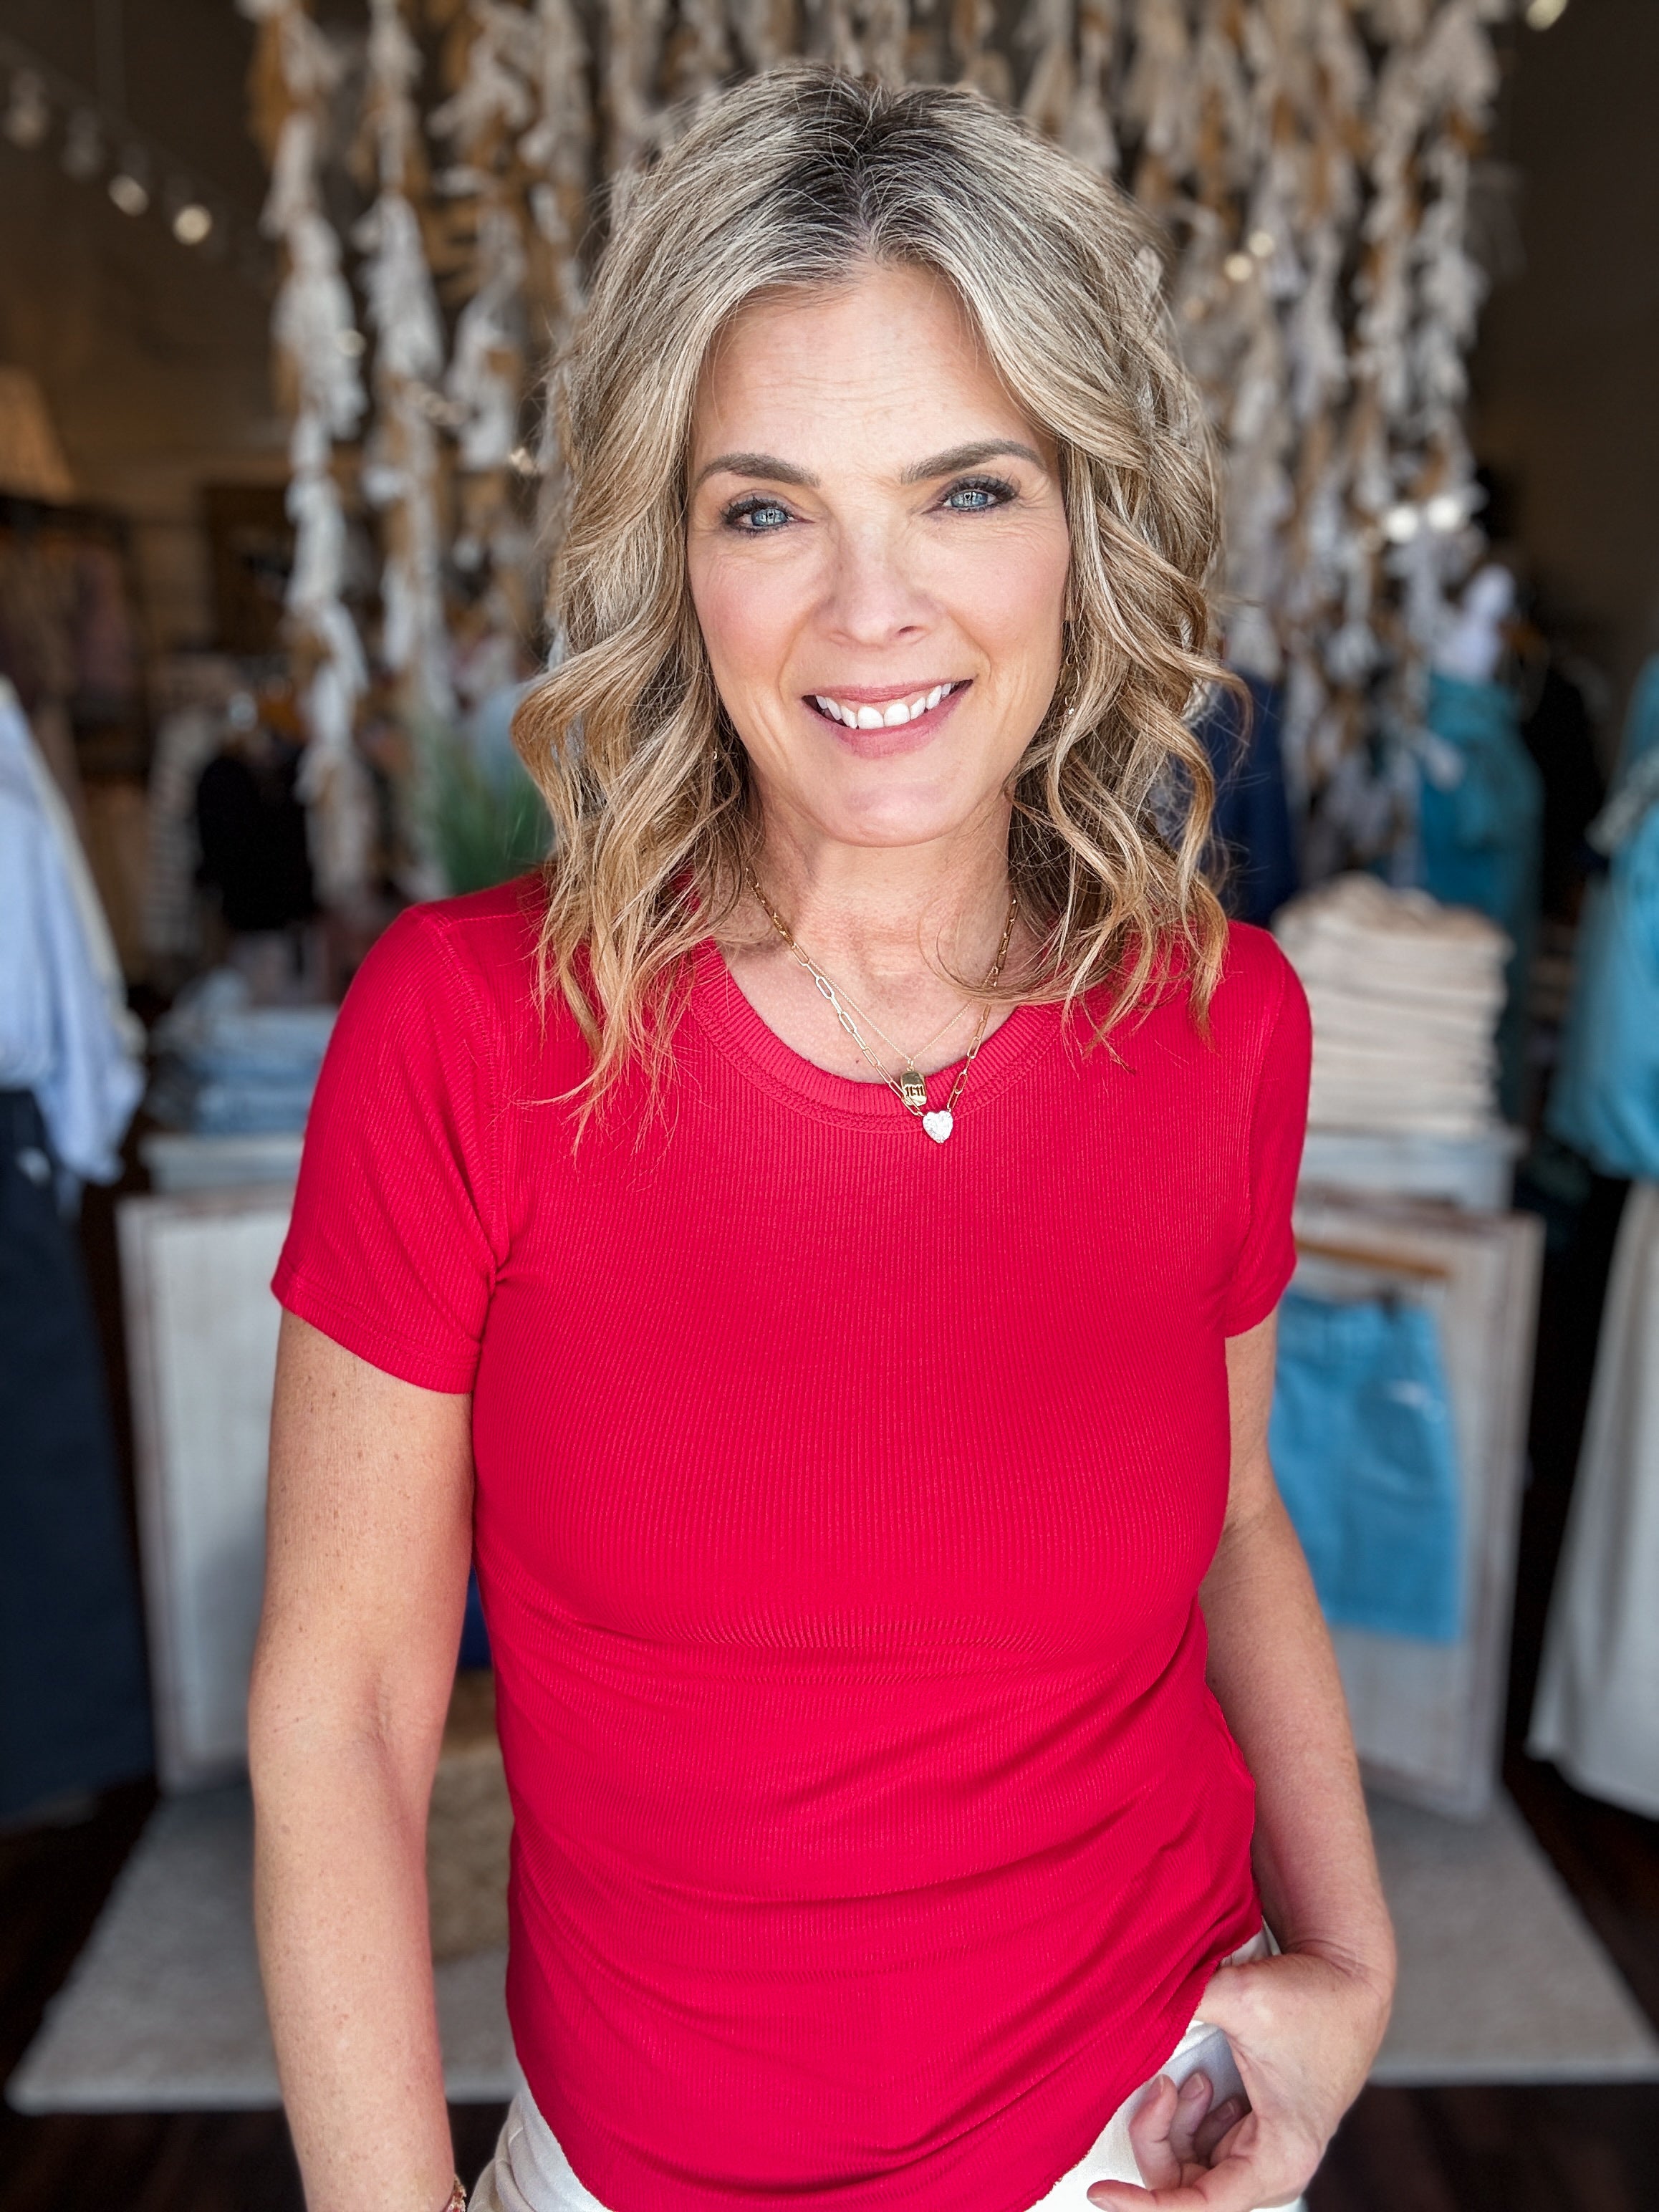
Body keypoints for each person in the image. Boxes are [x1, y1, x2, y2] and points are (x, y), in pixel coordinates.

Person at [251, 67, 1394, 2212]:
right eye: (767, 509)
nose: (873, 613)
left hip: (1146, 2144)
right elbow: (345, 1713)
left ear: (1086, 524)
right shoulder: (471, 1030)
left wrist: (1353, 1963)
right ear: (675, 558)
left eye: (965, 491)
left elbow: (1235, 1514)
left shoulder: (1219, 1018)